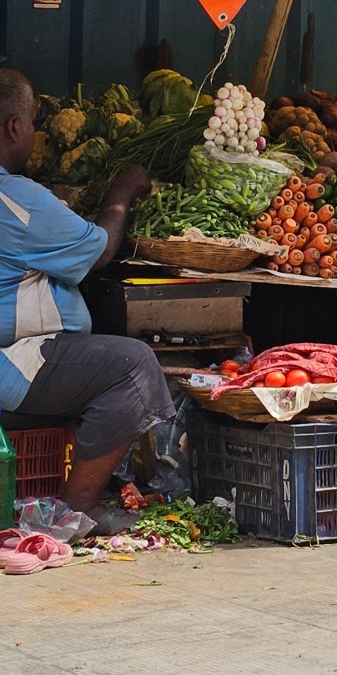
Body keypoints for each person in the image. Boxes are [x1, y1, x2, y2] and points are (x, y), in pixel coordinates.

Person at [0, 68, 174, 536]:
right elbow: (98, 250)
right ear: (15, 127)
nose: (34, 134)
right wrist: (121, 192)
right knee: (132, 365)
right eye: (33, 122)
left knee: (97, 367)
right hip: (10, 366)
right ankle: (80, 506)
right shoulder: (15, 199)